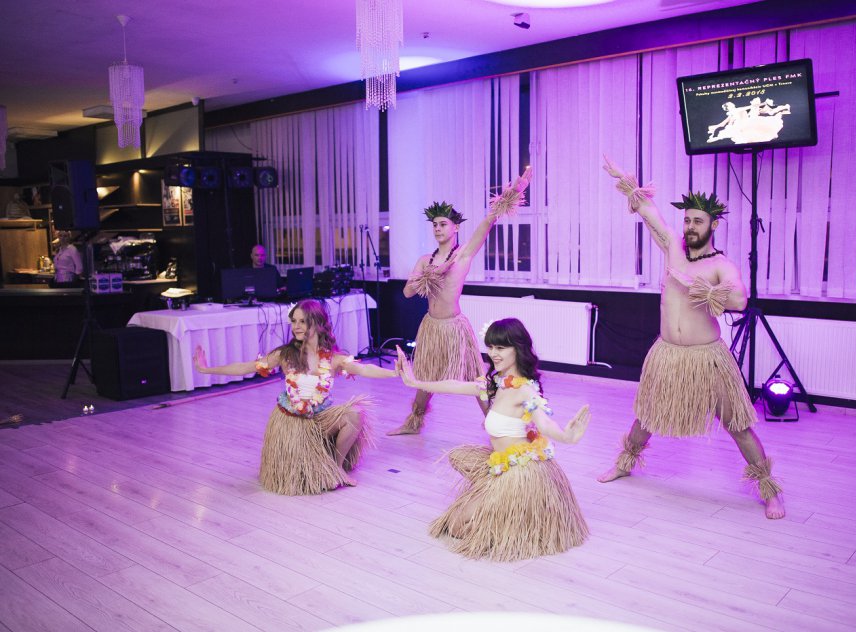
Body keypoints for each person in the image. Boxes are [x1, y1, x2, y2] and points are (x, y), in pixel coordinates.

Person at [598, 156, 785, 520]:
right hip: (668, 355)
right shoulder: (672, 247)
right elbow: (649, 211)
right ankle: (624, 463)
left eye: (698, 221)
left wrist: (701, 287)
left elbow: (739, 299)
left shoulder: (720, 265)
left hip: (707, 359)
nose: (690, 226)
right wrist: (626, 181)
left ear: (713, 225)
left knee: (737, 425)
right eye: (687, 220)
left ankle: (770, 490)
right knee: (646, 417)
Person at [395, 318, 591, 561]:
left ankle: (515, 520)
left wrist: (566, 437)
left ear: (517, 348)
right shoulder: (497, 384)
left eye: (500, 348)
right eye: (490, 347)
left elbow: (544, 423)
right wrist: (414, 382)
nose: (493, 354)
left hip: (519, 472)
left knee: (457, 527)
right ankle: (502, 506)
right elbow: (454, 385)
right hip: (501, 465)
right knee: (457, 463)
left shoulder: (525, 391)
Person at [193, 299, 398, 494]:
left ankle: (336, 469)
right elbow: (245, 367)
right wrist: (206, 369)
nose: (296, 326)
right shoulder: (285, 355)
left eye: (302, 321)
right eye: (294, 321)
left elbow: (364, 369)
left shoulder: (334, 358)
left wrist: (394, 373)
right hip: (292, 423)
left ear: (318, 323)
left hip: (319, 419)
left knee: (355, 414)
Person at [388, 167, 532, 435]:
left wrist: (514, 191)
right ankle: (413, 422)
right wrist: (431, 274)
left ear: (455, 227)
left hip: (455, 327)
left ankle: (496, 425)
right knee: (424, 377)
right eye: (434, 225)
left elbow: (488, 221)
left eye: (443, 224)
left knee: (476, 379)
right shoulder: (425, 260)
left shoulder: (463, 256)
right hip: (431, 327)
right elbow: (407, 292)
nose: (438, 228)